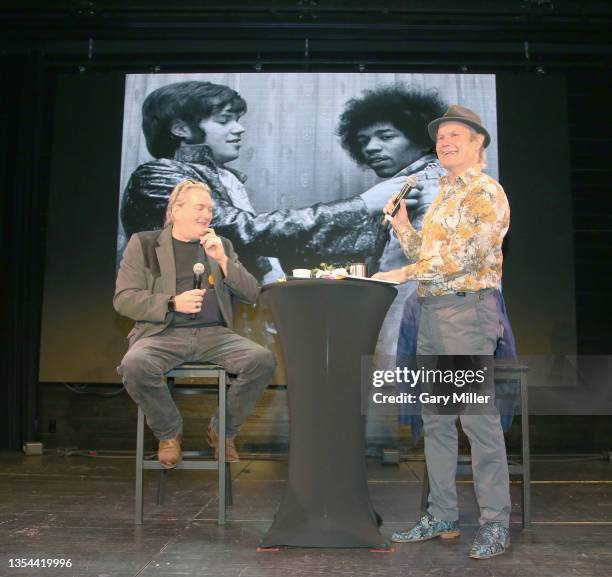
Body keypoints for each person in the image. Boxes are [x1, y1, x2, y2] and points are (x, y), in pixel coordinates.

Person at [374, 105, 512, 559]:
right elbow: (433, 253)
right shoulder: (445, 194)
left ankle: (495, 523)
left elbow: (467, 258)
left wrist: (403, 273)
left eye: (456, 135)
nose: (445, 142)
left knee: (477, 422)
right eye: (440, 138)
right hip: (433, 314)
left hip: (466, 315)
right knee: (436, 422)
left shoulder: (484, 193)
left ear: (478, 143)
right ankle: (442, 514)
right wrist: (404, 228)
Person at [120, 80, 400, 278]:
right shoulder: (157, 176)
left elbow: (266, 245)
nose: (239, 129)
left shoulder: (224, 178)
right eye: (224, 120)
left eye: (237, 119)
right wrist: (361, 205)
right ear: (180, 129)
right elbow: (243, 233)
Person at [114, 180, 276, 465]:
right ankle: (169, 432)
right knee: (134, 364)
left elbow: (252, 294)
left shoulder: (220, 244)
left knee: (261, 360)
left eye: (210, 209)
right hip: (162, 333)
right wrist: (172, 302)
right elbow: (124, 299)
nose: (207, 215)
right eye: (199, 207)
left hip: (214, 334)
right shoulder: (145, 243)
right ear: (176, 210)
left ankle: (221, 432)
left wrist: (224, 261)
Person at [336, 86, 446, 358]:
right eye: (363, 141)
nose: (371, 147)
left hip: (419, 314)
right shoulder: (412, 182)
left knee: (399, 392)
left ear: (422, 140)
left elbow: (438, 263)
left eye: (385, 136)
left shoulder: (431, 184)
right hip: (412, 310)